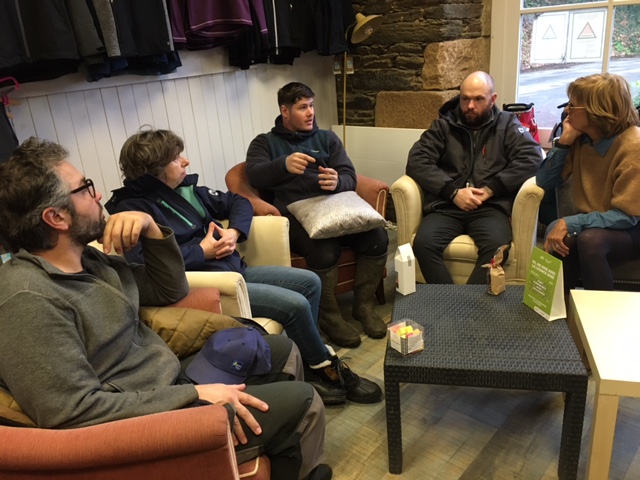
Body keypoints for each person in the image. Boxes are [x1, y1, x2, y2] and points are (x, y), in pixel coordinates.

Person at [0, 137, 332, 480]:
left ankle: (280, 452)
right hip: (147, 416)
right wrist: (194, 394)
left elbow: (170, 289)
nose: (97, 195)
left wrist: (151, 227)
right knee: (304, 400)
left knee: (280, 351)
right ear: (56, 217)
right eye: (85, 188)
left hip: (165, 378)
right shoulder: (27, 300)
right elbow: (72, 411)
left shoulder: (91, 262)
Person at [105, 128, 382, 406]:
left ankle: (307, 362)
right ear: (154, 170)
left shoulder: (186, 191)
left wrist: (234, 232)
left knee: (310, 281)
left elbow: (238, 201)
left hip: (234, 271)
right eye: (176, 159)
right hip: (210, 288)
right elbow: (145, 267)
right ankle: (325, 367)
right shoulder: (132, 212)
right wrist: (200, 252)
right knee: (295, 304)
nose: (186, 161)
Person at [245, 82, 389, 349]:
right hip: (294, 215)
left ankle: (363, 306)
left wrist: (337, 181)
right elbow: (253, 175)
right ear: (285, 111)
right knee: (324, 250)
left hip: (334, 208)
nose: (311, 112)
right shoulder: (265, 143)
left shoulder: (327, 139)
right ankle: (330, 318)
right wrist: (283, 165)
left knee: (377, 237)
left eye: (311, 106)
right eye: (303, 107)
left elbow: (349, 175)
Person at [406, 71, 542, 284]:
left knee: (497, 248)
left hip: (490, 206)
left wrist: (491, 189)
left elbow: (532, 158)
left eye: (478, 99)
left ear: (492, 99)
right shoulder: (443, 126)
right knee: (423, 244)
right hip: (447, 205)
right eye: (465, 99)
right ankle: (453, 299)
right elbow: (417, 160)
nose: (470, 105)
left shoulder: (507, 125)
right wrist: (452, 192)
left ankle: (464, 301)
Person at [536, 73, 640, 293]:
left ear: (597, 111)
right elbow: (545, 181)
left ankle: (600, 311)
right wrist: (564, 143)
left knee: (590, 240)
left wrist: (570, 222)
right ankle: (560, 308)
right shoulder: (581, 139)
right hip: (598, 223)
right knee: (566, 241)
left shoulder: (633, 146)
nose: (567, 110)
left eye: (573, 105)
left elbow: (627, 216)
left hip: (632, 227)